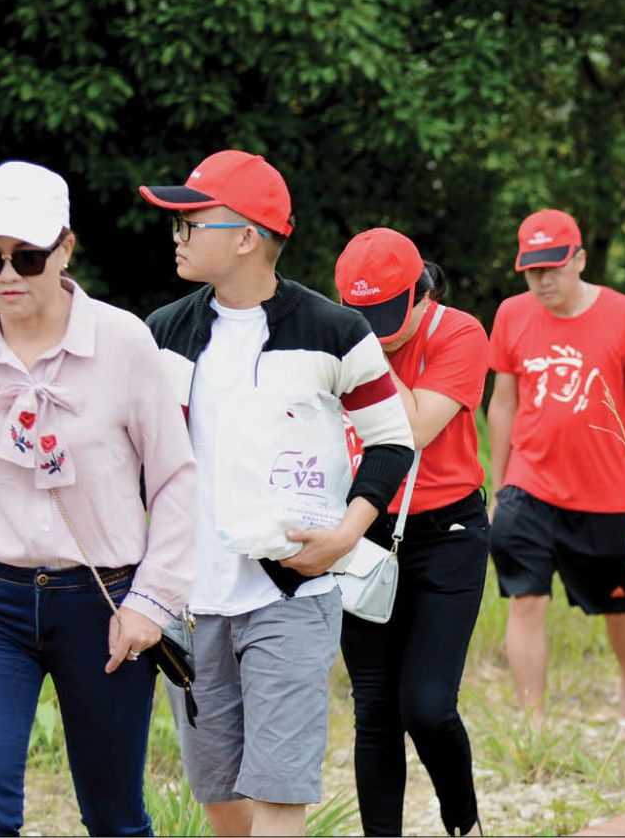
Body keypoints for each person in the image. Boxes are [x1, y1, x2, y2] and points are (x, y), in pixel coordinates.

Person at [140, 150, 415, 836]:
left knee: (279, 792)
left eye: (190, 223)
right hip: (191, 600)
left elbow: (392, 441)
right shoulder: (162, 332)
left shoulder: (334, 330)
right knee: (218, 795)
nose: (177, 236)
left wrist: (344, 537)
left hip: (292, 592)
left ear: (246, 236)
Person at [0, 161, 196, 836]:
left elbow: (175, 478)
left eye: (27, 255)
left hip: (105, 603)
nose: (7, 275)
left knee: (114, 817)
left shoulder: (125, 342)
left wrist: (151, 602)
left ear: (65, 248)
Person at [334, 228, 491, 837]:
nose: (378, 333)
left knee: (426, 706)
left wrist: (362, 348)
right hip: (363, 528)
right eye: (362, 318)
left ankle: (463, 822)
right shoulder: (331, 334)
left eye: (386, 319)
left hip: (446, 532)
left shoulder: (459, 332)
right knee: (374, 709)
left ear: (421, 293)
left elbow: (416, 427)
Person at [486, 209, 625, 733]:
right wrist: (498, 485)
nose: (543, 280)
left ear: (579, 259)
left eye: (553, 267)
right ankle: (533, 722)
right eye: (532, 270)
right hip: (527, 485)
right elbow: (502, 403)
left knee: (616, 604)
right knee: (526, 599)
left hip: (602, 493)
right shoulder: (512, 315)